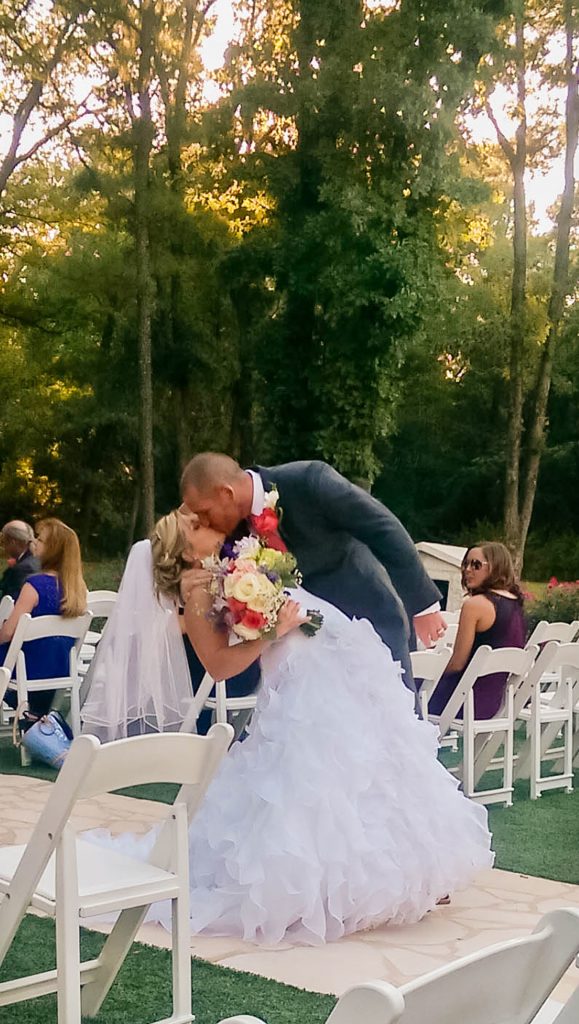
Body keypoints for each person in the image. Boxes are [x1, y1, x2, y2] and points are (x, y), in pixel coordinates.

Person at [87, 511, 493, 946]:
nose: (210, 522)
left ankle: (417, 877)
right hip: (301, 684)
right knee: (322, 781)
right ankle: (337, 891)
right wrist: (273, 630)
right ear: (188, 549)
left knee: (379, 765)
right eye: (198, 525)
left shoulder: (236, 562)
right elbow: (220, 666)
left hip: (338, 664)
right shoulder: (197, 590)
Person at [179, 453, 447, 696]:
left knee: (392, 724)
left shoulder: (308, 481)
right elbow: (189, 553)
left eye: (204, 512)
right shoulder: (228, 535)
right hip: (305, 660)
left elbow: (382, 527)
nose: (203, 521)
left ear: (226, 494)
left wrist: (423, 604)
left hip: (368, 619)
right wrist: (186, 586)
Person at [0, 518, 87, 721]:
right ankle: (36, 715)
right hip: (58, 671)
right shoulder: (77, 589)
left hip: (26, 670)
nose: (34, 542)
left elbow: (7, 634)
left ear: (53, 549)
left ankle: (28, 714)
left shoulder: (34, 585)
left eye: (40, 539)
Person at [428, 543, 526, 720]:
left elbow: (457, 663)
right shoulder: (516, 603)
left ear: (495, 567)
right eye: (465, 564)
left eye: (476, 565)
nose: (467, 570)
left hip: (462, 701)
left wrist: (430, 669)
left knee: (407, 686)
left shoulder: (475, 605)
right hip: (492, 704)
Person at [0, 521, 40, 600]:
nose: (4, 547)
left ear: (13, 542)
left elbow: (10, 601)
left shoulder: (23, 568)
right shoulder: (34, 560)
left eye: (4, 542)